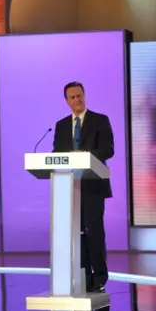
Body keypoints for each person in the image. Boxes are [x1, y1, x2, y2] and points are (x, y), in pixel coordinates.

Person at [53, 81, 114, 293]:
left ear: (84, 96)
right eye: (72, 97)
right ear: (67, 101)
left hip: (93, 185)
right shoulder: (61, 126)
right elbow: (56, 155)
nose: (77, 100)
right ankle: (83, 274)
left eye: (80, 96)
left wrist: (84, 157)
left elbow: (108, 150)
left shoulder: (100, 120)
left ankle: (99, 276)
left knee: (93, 230)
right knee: (76, 232)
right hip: (69, 187)